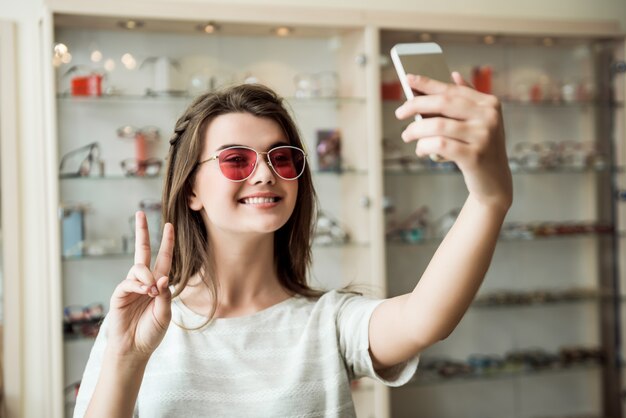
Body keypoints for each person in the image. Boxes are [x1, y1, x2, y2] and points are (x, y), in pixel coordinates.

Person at [74, 73, 512, 418]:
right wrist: (126, 358)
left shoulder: (330, 322)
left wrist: (490, 196)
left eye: (280, 157)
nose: (265, 173)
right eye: (236, 159)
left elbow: (424, 319)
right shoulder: (136, 326)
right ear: (191, 190)